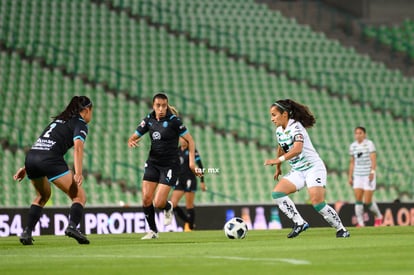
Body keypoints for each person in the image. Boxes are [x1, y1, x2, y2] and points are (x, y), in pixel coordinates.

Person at [13, 96, 93, 245]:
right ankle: (72, 226)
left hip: (32, 157)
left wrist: (26, 167)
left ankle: (27, 232)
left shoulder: (57, 121)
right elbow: (78, 147)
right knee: (79, 196)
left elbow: (43, 143)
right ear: (87, 110)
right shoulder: (80, 123)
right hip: (49, 159)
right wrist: (78, 172)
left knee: (43, 195)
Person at [264, 99, 350, 238]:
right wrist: (278, 167)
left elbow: (297, 149)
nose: (272, 118)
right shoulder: (279, 130)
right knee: (277, 194)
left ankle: (341, 229)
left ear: (284, 114)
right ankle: (299, 223)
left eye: (274, 115)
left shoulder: (296, 127)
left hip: (313, 168)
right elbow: (281, 147)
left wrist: (277, 160)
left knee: (317, 203)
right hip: (298, 170)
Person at [128, 93, 201, 239]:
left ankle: (167, 207)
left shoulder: (174, 121)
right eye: (158, 105)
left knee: (158, 202)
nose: (161, 109)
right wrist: (131, 140)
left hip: (170, 166)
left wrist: (192, 163)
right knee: (146, 198)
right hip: (153, 163)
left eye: (164, 105)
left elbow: (191, 141)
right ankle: (153, 231)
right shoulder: (149, 119)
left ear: (167, 105)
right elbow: (134, 136)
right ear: (153, 106)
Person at [348, 126, 383, 227]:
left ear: (364, 134)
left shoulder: (369, 144)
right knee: (358, 199)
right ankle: (360, 223)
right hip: (357, 175)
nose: (358, 135)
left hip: (368, 175)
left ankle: (379, 216)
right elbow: (352, 162)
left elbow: (373, 159)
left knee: (367, 201)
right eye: (356, 133)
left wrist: (372, 172)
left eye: (360, 133)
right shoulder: (353, 146)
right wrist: (350, 176)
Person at [170, 137, 206, 232]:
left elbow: (200, 165)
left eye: (184, 139)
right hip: (179, 180)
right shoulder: (177, 150)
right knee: (172, 204)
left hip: (190, 179)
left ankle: (190, 228)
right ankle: (190, 223)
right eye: (181, 139)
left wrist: (202, 181)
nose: (182, 141)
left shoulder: (192, 150)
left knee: (189, 206)